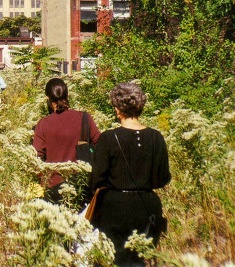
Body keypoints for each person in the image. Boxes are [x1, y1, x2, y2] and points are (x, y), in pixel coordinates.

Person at [90, 82, 171, 266]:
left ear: (118, 109)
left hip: (115, 208)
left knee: (116, 259)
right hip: (148, 207)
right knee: (142, 260)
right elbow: (163, 178)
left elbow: (96, 179)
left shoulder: (109, 138)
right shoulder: (156, 137)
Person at [33, 78, 100, 204]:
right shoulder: (84, 117)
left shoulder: (43, 124)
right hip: (82, 186)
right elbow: (100, 145)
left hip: (53, 188)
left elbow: (36, 158)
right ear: (68, 95)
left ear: (48, 99)